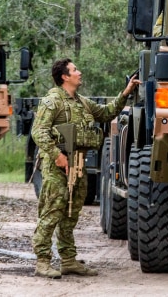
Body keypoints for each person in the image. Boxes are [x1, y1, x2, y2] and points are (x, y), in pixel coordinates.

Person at [31, 58, 140, 279]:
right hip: (57, 167)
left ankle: (68, 260)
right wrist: (57, 156)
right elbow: (39, 131)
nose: (79, 73)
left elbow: (107, 113)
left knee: (71, 214)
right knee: (51, 213)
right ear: (64, 76)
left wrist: (126, 91)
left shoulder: (81, 102)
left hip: (78, 165)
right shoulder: (53, 101)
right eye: (74, 70)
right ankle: (42, 261)